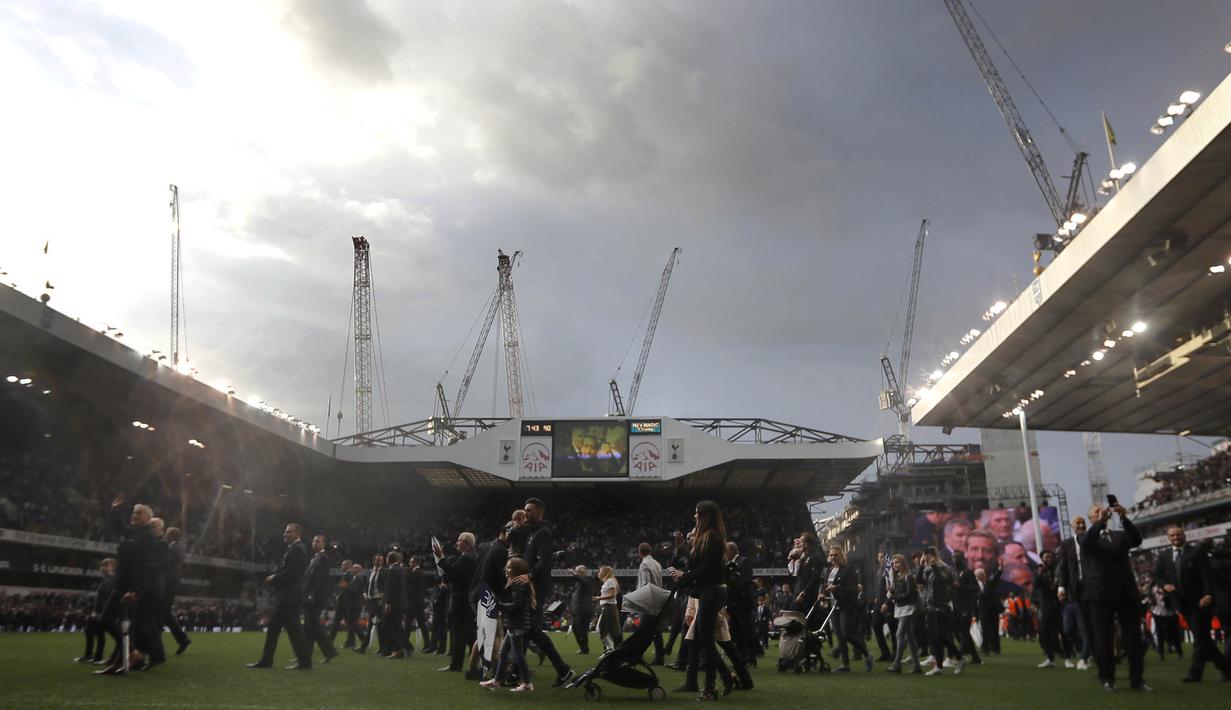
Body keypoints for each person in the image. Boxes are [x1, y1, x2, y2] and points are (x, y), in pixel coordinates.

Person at [1080, 503, 1147, 692]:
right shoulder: (1086, 537)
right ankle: (1107, 678)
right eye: (1096, 512)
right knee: (1103, 638)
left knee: (1133, 638)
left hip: (1125, 591)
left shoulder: (1119, 535)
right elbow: (1086, 543)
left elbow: (1136, 539)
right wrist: (1100, 523)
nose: (1101, 512)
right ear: (1091, 518)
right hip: (1100, 594)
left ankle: (1137, 680)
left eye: (1103, 510)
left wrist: (1124, 518)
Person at [669, 500, 728, 701]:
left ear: (704, 516)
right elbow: (699, 564)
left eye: (697, 513)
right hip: (709, 591)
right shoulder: (709, 537)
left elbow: (705, 567)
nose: (694, 517)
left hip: (711, 592)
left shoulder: (711, 538)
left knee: (706, 641)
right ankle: (725, 679)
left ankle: (711, 687)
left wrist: (685, 576)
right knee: (705, 640)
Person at [1153, 526, 1227, 682]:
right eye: (1172, 535)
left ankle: (1195, 673)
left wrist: (1207, 594)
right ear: (1168, 538)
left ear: (1184, 535)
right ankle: (1227, 668)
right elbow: (1158, 575)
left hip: (1200, 602)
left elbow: (1207, 576)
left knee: (1200, 638)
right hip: (1181, 603)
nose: (1175, 537)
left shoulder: (1196, 552)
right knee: (1204, 639)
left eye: (1178, 534)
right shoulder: (1164, 555)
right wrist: (1164, 585)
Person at [515, 498, 574, 686]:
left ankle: (563, 669)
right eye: (525, 510)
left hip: (535, 589)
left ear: (540, 513)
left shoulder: (543, 533)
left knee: (531, 630)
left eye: (529, 510)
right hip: (529, 587)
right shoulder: (532, 533)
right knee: (526, 630)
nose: (525, 513)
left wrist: (529, 575)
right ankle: (517, 672)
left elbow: (544, 561)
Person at [247, 522, 311, 670]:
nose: (285, 534)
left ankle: (299, 661)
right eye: (285, 531)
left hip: (289, 597)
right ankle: (299, 661)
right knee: (280, 629)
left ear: (297, 534)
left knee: (288, 629)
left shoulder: (297, 549)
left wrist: (274, 578)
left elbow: (292, 573)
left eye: (288, 532)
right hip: (288, 596)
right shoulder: (295, 548)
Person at [480, 557, 537, 693]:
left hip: (516, 624)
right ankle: (497, 681)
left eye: (509, 567)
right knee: (503, 652)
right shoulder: (520, 584)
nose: (506, 570)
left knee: (518, 655)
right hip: (517, 623)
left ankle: (527, 684)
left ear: (517, 570)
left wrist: (498, 605)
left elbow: (516, 607)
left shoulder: (517, 585)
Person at [434, 531, 477, 672]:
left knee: (458, 634)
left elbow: (453, 572)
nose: (456, 543)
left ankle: (456, 664)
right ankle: (479, 662)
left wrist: (440, 557)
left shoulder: (466, 558)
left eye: (459, 540)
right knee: (469, 634)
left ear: (467, 543)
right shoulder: (473, 556)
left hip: (461, 601)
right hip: (468, 600)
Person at [919, 546, 965, 676]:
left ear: (933, 555)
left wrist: (934, 566)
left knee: (941, 636)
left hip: (942, 606)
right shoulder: (927, 567)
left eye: (926, 556)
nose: (925, 558)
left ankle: (959, 658)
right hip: (930, 606)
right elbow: (919, 581)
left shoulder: (943, 566)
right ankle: (939, 667)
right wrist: (922, 566)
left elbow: (944, 581)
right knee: (934, 637)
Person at [826, 546, 872, 672]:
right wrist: (823, 594)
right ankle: (845, 665)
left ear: (841, 556)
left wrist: (836, 589)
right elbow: (826, 587)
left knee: (847, 634)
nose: (833, 557)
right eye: (831, 555)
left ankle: (867, 654)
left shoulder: (849, 570)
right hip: (834, 606)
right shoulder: (830, 571)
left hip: (846, 606)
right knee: (840, 637)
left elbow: (852, 588)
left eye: (836, 555)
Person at [1056, 516, 1092, 670]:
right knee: (1068, 629)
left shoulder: (1092, 540)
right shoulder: (1066, 544)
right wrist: (1061, 587)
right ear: (1071, 526)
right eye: (1078, 523)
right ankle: (1086, 650)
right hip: (1073, 592)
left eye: (1083, 522)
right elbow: (1063, 567)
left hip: (1090, 589)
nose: (1081, 525)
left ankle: (1084, 657)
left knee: (1086, 627)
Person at [303, 534, 340, 663]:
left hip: (315, 597)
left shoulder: (323, 558)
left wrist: (311, 594)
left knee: (313, 625)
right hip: (312, 596)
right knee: (308, 626)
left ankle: (329, 651)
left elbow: (320, 580)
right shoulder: (316, 558)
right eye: (313, 541)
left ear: (323, 544)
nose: (314, 543)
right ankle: (305, 655)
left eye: (317, 541)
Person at [885, 554, 923, 674]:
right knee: (909, 638)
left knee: (899, 634)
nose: (895, 565)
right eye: (894, 563)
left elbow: (909, 594)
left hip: (908, 608)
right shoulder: (898, 577)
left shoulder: (908, 576)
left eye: (898, 562)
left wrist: (895, 596)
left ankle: (897, 664)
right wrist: (892, 592)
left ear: (903, 563)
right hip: (901, 608)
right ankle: (917, 666)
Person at [76, 558, 115, 664]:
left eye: (105, 565)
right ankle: (92, 656)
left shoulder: (109, 580)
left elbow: (105, 598)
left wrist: (99, 611)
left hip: (101, 611)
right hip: (99, 611)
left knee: (98, 633)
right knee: (93, 632)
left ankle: (95, 656)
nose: (102, 568)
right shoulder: (108, 579)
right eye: (102, 565)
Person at [161, 526, 191, 655]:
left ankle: (182, 639)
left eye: (167, 533)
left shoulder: (174, 547)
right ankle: (182, 639)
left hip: (168, 582)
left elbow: (167, 564)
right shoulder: (179, 546)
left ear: (172, 535)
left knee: (164, 612)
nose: (165, 535)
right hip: (171, 582)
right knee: (163, 612)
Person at [1033, 549, 1062, 668]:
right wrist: (1040, 573)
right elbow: (1035, 585)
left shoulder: (1058, 569)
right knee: (1044, 631)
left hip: (1058, 604)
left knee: (1060, 631)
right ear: (1042, 558)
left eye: (1051, 557)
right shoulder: (1038, 571)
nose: (1049, 559)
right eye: (1046, 557)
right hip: (1045, 605)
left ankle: (1067, 655)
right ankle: (1050, 657)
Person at [951, 550, 981, 664]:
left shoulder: (968, 572)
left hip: (965, 607)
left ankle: (959, 656)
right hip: (956, 606)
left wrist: (960, 586)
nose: (954, 559)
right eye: (953, 557)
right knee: (960, 632)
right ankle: (975, 656)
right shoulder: (954, 573)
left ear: (962, 558)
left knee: (964, 631)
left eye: (957, 557)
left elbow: (975, 588)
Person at [637, 542, 665, 664]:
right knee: (655, 630)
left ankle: (637, 654)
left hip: (648, 600)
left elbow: (645, 584)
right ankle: (659, 657)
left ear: (640, 553)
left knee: (643, 630)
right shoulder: (657, 564)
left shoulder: (644, 564)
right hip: (657, 598)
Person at [382, 550, 411, 659]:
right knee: (397, 627)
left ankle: (398, 650)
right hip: (401, 603)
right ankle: (406, 647)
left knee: (387, 626)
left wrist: (388, 603)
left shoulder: (392, 570)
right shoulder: (401, 570)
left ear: (388, 559)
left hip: (394, 604)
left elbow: (391, 589)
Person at [356, 553, 386, 655]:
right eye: (377, 560)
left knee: (374, 625)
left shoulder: (384, 572)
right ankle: (381, 648)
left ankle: (363, 648)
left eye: (381, 560)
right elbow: (366, 585)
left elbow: (386, 587)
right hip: (371, 601)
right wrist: (365, 593)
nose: (379, 562)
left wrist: (383, 598)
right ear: (374, 561)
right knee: (376, 625)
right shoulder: (369, 572)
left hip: (379, 600)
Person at [870, 551, 896, 662]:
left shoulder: (890, 569)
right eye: (880, 557)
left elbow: (892, 586)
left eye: (884, 557)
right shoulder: (880, 570)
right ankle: (885, 652)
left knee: (893, 629)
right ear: (877, 558)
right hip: (878, 602)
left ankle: (895, 654)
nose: (882, 559)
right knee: (875, 625)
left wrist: (887, 601)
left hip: (888, 602)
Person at [331, 561, 362, 649]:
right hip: (346, 603)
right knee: (351, 624)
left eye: (343, 564)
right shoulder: (349, 575)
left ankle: (330, 640)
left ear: (348, 565)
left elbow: (344, 588)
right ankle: (355, 640)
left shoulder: (348, 574)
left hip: (343, 603)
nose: (341, 566)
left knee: (337, 622)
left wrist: (338, 595)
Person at [407, 556, 433, 653]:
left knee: (408, 625)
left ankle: (405, 644)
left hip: (415, 604)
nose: (410, 563)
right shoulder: (420, 573)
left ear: (415, 563)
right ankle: (427, 645)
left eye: (411, 562)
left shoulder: (416, 573)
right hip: (419, 603)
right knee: (422, 625)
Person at [974, 566, 1002, 657]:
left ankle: (996, 649)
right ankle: (985, 649)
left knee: (994, 630)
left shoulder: (990, 583)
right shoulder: (975, 586)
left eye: (978, 575)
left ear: (983, 575)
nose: (977, 577)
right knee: (984, 631)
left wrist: (1000, 569)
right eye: (976, 576)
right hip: (982, 611)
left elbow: (996, 578)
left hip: (993, 611)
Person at [594, 566, 622, 651]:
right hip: (608, 607)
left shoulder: (609, 581)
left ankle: (610, 648)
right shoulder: (609, 581)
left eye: (600, 571)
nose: (598, 572)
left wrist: (599, 598)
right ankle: (609, 648)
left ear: (605, 573)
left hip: (608, 607)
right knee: (606, 629)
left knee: (600, 629)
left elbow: (612, 595)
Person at [570, 565, 595, 654]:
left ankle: (585, 649)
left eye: (577, 571)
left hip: (584, 610)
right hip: (578, 610)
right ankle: (582, 648)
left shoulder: (587, 579)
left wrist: (574, 573)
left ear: (581, 572)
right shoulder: (579, 582)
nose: (575, 573)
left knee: (582, 630)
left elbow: (582, 581)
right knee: (575, 628)